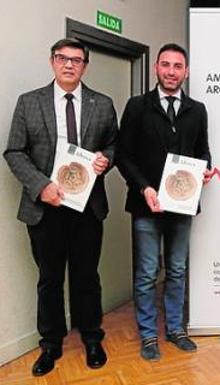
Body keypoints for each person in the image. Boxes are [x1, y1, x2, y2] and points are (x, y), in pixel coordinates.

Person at [3, 38, 117, 376]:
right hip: (46, 208)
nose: (69, 65)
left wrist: (105, 160)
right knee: (49, 279)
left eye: (76, 60)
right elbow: (14, 152)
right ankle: (50, 345)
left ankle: (92, 338)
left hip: (87, 207)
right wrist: (42, 187)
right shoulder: (29, 103)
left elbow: (113, 144)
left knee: (86, 277)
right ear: (52, 62)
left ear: (85, 65)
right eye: (62, 58)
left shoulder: (102, 104)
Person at [116, 43, 211, 362]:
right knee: (146, 273)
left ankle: (175, 329)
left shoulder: (197, 109)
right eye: (166, 65)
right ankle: (147, 335)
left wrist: (205, 170)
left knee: (178, 269)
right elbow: (124, 156)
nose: (172, 71)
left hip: (182, 206)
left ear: (186, 71)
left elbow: (202, 150)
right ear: (156, 68)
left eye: (178, 66)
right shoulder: (137, 106)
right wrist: (144, 188)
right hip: (147, 204)